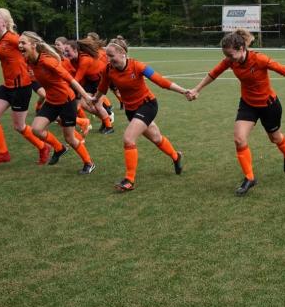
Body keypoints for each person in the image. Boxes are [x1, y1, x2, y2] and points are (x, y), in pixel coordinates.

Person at [186, 29, 285, 196]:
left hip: (268, 105)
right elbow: (213, 74)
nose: (228, 59)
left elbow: (284, 70)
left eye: (230, 55)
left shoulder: (259, 59)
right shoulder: (230, 61)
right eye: (226, 55)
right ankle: (249, 178)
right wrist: (196, 89)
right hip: (248, 104)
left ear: (242, 49)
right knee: (239, 139)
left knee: (275, 138)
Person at [94, 36, 188, 192]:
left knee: (128, 138)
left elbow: (161, 81)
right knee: (157, 138)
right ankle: (176, 156)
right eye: (107, 56)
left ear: (123, 53)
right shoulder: (108, 70)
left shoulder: (138, 66)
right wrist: (94, 99)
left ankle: (129, 180)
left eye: (111, 56)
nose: (108, 59)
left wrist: (184, 91)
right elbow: (102, 88)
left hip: (147, 105)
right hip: (131, 111)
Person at [17, 31, 96, 174]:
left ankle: (89, 163)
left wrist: (86, 97)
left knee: (70, 138)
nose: (19, 45)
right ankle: (59, 148)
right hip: (52, 101)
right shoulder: (28, 60)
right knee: (36, 129)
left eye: (23, 43)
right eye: (19, 43)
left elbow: (71, 81)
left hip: (66, 101)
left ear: (34, 45)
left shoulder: (48, 61)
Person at [0, 8, 52, 166]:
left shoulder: (13, 38)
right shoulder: (0, 39)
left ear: (5, 22)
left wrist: (48, 59)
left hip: (21, 88)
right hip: (7, 86)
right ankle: (3, 153)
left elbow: (35, 46)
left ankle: (43, 147)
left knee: (19, 126)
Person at [63, 39, 115, 134]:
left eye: (67, 51)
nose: (65, 53)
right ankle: (105, 118)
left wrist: (65, 86)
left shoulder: (85, 60)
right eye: (64, 51)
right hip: (90, 81)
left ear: (75, 50)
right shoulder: (73, 60)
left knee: (98, 105)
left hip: (101, 80)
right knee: (83, 104)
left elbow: (77, 79)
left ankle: (109, 127)